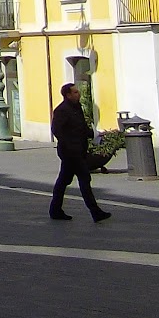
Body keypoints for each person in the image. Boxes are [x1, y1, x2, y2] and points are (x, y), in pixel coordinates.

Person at [50, 82, 111, 223]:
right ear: (68, 95)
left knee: (63, 181)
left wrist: (94, 134)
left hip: (78, 151)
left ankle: (55, 210)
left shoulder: (77, 108)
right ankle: (95, 212)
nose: (79, 94)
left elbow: (81, 128)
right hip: (70, 153)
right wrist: (69, 145)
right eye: (75, 92)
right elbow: (56, 130)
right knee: (84, 180)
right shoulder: (62, 110)